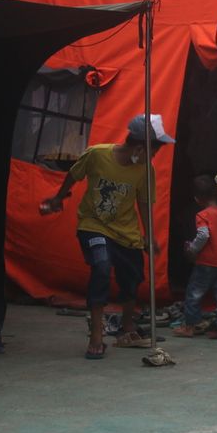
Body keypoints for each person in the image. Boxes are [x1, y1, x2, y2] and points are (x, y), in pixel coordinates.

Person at [40, 113, 174, 359]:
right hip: (94, 224)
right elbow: (74, 174)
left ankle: (127, 325)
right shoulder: (97, 154)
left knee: (132, 277)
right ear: (139, 147)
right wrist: (59, 197)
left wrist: (149, 236)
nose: (154, 157)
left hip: (126, 232)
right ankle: (96, 334)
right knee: (101, 266)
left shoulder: (146, 170)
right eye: (153, 151)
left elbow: (143, 204)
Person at [173, 175, 217, 341]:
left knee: (194, 293)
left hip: (206, 262)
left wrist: (192, 249)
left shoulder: (202, 215)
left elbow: (204, 234)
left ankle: (189, 326)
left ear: (197, 199)